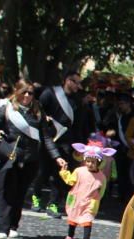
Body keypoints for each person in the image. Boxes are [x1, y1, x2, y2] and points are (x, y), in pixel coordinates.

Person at [0, 81, 67, 239]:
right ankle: (2, 229)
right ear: (16, 92)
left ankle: (13, 226)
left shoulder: (38, 112)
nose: (27, 96)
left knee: (20, 193)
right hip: (9, 157)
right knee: (7, 192)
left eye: (30, 93)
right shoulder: (7, 109)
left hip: (30, 159)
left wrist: (57, 156)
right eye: (24, 92)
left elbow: (45, 137)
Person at [32, 70, 89, 218]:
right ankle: (36, 197)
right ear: (66, 80)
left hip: (65, 141)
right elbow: (37, 110)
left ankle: (53, 204)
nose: (78, 86)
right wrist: (45, 118)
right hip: (47, 139)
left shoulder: (77, 100)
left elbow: (79, 125)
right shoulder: (50, 93)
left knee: (60, 174)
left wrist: (79, 145)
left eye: (79, 82)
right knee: (42, 172)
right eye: (75, 82)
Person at [60, 141, 117, 239]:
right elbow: (71, 181)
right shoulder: (79, 171)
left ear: (99, 162)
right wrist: (64, 172)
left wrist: (96, 200)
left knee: (87, 220)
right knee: (73, 219)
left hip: (89, 202)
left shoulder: (101, 177)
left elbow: (102, 190)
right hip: (76, 200)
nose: (90, 164)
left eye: (93, 162)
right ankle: (69, 237)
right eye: (88, 161)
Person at [101, 92, 134, 201]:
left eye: (122, 103)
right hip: (120, 149)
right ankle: (121, 196)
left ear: (128, 104)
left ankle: (129, 196)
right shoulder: (117, 116)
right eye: (119, 104)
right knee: (121, 173)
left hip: (132, 148)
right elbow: (110, 127)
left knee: (130, 174)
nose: (120, 106)